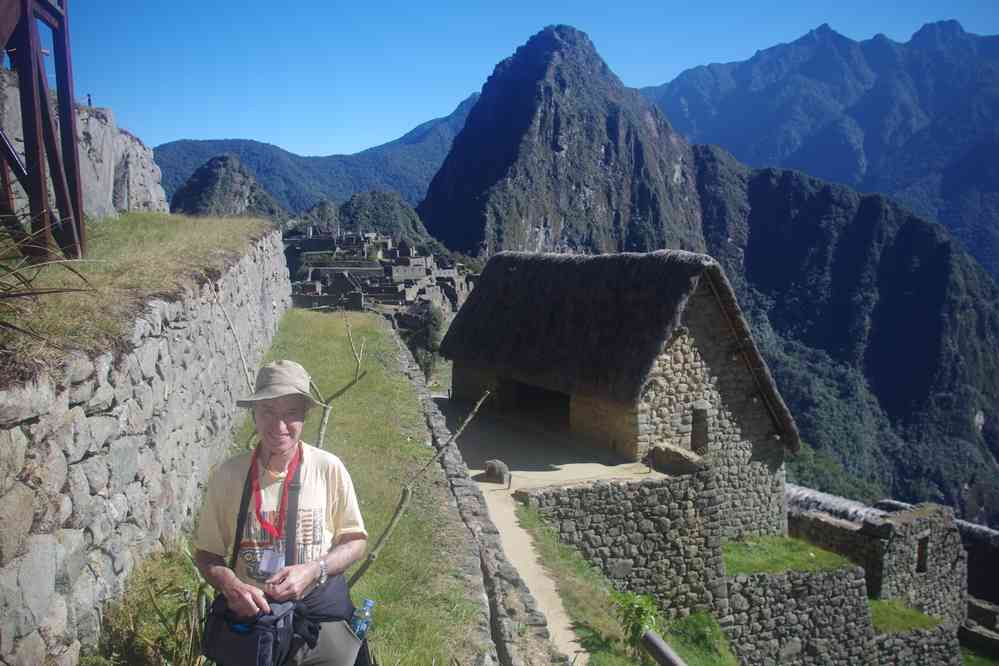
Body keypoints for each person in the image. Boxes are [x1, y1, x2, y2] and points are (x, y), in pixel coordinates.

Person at [194, 359, 368, 665]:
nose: (279, 426)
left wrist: (315, 570)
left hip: (317, 620)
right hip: (254, 624)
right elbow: (207, 555)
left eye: (291, 414)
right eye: (268, 412)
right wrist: (230, 585)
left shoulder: (329, 469)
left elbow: (355, 541)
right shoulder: (229, 475)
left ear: (305, 415)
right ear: (254, 415)